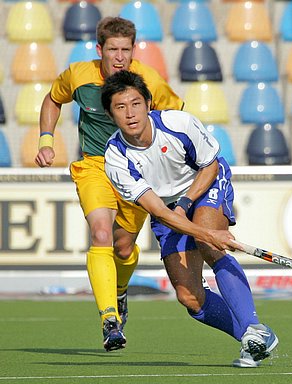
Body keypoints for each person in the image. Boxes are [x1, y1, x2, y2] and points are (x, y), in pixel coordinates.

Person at [101, 70, 279, 368]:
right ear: (110, 115)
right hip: (166, 209)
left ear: (148, 103)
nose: (130, 114)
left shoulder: (177, 123)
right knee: (190, 297)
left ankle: (254, 327)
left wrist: (189, 210)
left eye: (135, 104)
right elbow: (157, 211)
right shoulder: (116, 157)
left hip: (205, 183)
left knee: (208, 244)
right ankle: (256, 341)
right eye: (120, 107)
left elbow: (209, 165)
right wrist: (191, 221)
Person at [34, 17, 184, 352]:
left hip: (135, 170)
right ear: (99, 49)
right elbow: (52, 99)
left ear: (133, 50)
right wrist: (46, 140)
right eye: (112, 49)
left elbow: (176, 119)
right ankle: (109, 320)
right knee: (100, 232)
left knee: (123, 248)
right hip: (95, 166)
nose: (119, 57)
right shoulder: (78, 74)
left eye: (126, 50)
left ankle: (119, 291)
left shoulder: (149, 80)